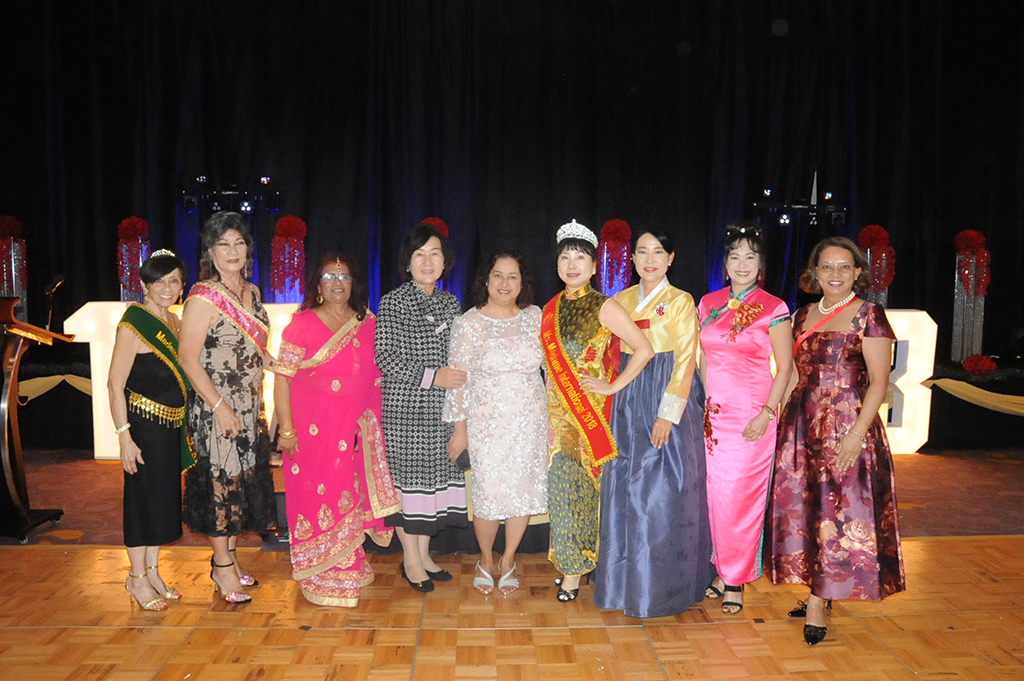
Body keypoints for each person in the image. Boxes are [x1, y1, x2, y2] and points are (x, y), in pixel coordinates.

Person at [766, 236, 904, 646]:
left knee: (837, 512)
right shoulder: (803, 314)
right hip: (802, 425)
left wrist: (857, 435)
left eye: (844, 267)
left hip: (848, 425)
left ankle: (816, 603)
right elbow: (792, 373)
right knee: (806, 510)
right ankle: (816, 586)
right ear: (815, 272)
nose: (836, 274)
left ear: (858, 271)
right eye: (828, 267)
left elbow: (880, 382)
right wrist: (776, 420)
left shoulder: (870, 315)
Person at [593, 229, 713, 617]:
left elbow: (686, 359)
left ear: (671, 258)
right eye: (642, 252)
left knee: (661, 488)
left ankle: (662, 585)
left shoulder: (681, 301)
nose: (649, 259)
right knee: (624, 485)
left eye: (658, 252)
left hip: (665, 393)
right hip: (628, 395)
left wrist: (668, 413)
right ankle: (620, 584)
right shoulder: (621, 300)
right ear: (631, 259)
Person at [272, 254, 401, 606]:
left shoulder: (367, 322)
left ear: (354, 283)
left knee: (348, 492)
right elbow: (281, 381)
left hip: (354, 431)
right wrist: (286, 430)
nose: (338, 283)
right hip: (313, 432)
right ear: (317, 284)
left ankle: (348, 560)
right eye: (329, 276)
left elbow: (375, 378)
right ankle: (319, 570)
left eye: (344, 276)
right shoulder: (302, 323)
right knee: (316, 495)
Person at [543, 219, 654, 603]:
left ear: (593, 266)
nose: (572, 264)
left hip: (588, 416)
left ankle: (577, 571)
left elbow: (644, 349)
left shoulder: (604, 306)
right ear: (557, 265)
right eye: (565, 257)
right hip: (555, 417)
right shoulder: (550, 309)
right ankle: (573, 563)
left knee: (581, 492)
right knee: (561, 493)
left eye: (580, 258)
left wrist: (612, 385)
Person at [179, 211, 275, 604]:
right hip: (216, 407)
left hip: (249, 407)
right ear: (210, 251)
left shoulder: (251, 292)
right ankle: (220, 568)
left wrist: (280, 364)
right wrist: (219, 407)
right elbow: (188, 359)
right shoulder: (203, 296)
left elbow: (252, 349)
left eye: (239, 243)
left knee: (241, 483)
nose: (232, 251)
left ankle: (231, 558)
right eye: (224, 244)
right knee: (221, 484)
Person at [698, 222, 793, 615]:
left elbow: (785, 368)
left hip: (753, 416)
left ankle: (735, 578)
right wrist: (706, 401)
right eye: (734, 256)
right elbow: (704, 358)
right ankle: (722, 568)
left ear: (760, 265)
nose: (741, 263)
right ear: (725, 263)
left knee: (742, 497)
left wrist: (767, 412)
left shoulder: (774, 307)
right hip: (713, 417)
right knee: (716, 497)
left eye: (749, 257)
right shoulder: (707, 302)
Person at [443, 249, 547, 596]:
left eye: (512, 276)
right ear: (485, 280)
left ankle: (509, 559)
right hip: (486, 424)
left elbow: (554, 368)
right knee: (488, 497)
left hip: (530, 422)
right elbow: (457, 380)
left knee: (521, 494)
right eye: (498, 276)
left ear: (522, 283)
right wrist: (460, 430)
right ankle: (486, 559)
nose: (505, 283)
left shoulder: (535, 317)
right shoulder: (468, 323)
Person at [375, 222, 468, 592]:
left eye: (435, 254)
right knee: (408, 488)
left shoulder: (450, 303)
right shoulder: (393, 302)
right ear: (408, 262)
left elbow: (460, 361)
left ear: (445, 263)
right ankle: (410, 560)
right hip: (406, 412)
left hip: (442, 414)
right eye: (419, 254)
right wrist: (433, 377)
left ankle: (425, 554)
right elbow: (386, 358)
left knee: (432, 487)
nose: (427, 261)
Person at [108, 250, 190, 611]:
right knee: (141, 503)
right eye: (159, 281)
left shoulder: (175, 322)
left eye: (173, 280)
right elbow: (114, 384)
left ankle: (153, 572)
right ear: (143, 285)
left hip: (170, 427)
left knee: (161, 501)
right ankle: (136, 578)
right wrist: (124, 436)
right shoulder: (134, 321)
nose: (166, 287)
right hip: (142, 427)